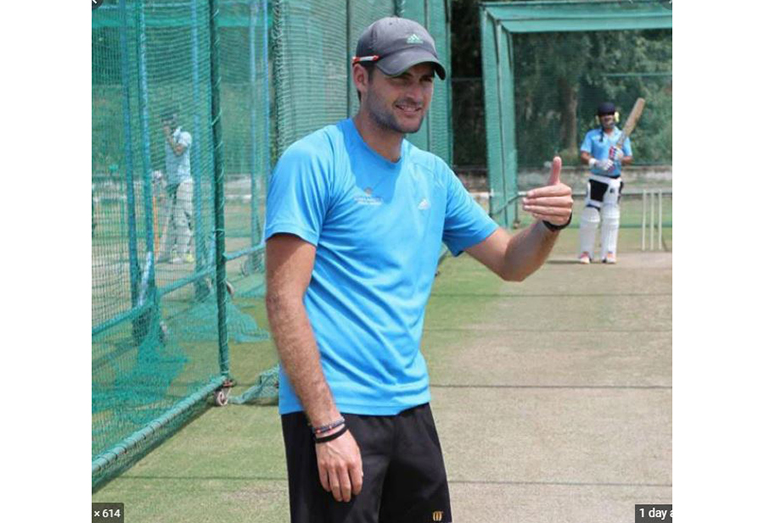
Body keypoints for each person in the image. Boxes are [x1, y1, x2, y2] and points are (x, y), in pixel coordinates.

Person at [264, 17, 572, 523]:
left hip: (410, 409)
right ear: (361, 76)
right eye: (400, 77)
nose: (416, 93)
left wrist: (551, 226)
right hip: (336, 415)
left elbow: (510, 261)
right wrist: (326, 427)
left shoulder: (433, 175)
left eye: (425, 79)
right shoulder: (312, 161)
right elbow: (282, 298)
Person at [577, 101, 634, 264]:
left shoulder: (622, 136)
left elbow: (630, 158)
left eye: (609, 115)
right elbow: (583, 155)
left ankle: (609, 252)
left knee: (611, 217)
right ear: (599, 119)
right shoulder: (592, 135)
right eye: (603, 116)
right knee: (590, 216)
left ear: (615, 116)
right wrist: (596, 162)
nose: (607, 118)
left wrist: (621, 157)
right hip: (596, 180)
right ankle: (585, 252)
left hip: (614, 181)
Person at [157, 111, 194, 264]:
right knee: (169, 219)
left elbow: (178, 151)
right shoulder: (169, 139)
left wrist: (167, 136)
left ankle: (184, 253)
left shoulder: (184, 135)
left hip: (184, 182)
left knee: (181, 219)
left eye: (167, 121)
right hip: (172, 183)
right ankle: (166, 253)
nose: (164, 124)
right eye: (163, 121)